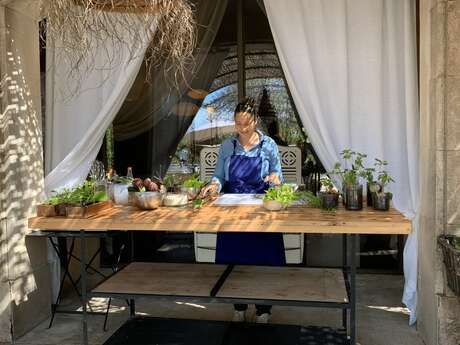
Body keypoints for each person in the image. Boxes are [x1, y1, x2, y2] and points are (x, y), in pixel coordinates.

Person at [200, 97, 285, 324]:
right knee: (233, 258)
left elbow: (278, 175)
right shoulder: (228, 145)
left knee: (264, 260)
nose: (242, 129)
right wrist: (214, 185)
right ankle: (238, 305)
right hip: (232, 210)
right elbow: (218, 175)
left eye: (246, 124)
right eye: (238, 124)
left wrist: (275, 179)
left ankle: (263, 309)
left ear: (255, 121)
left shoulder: (269, 145)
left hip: (261, 210)